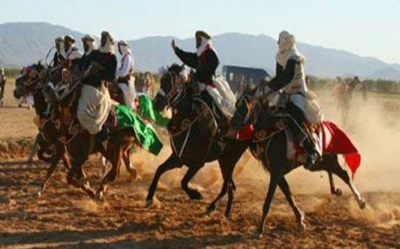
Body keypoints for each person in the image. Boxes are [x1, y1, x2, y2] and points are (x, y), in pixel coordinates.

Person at [265, 31, 322, 170]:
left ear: (284, 42)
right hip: (285, 92)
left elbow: (287, 78)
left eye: (279, 41)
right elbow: (279, 77)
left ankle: (311, 149)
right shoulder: (280, 56)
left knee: (294, 114)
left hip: (298, 93)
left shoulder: (294, 57)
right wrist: (267, 87)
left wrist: (272, 88)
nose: (278, 44)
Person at [171, 30, 234, 129]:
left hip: (207, 84)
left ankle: (218, 124)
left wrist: (199, 74)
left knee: (212, 99)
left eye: (198, 40)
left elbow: (213, 65)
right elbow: (189, 58)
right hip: (196, 83)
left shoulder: (211, 53)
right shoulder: (200, 55)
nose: (196, 43)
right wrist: (177, 50)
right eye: (196, 40)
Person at [77, 31, 117, 149]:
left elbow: (111, 76)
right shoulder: (97, 54)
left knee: (82, 113)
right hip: (86, 85)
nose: (102, 40)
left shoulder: (112, 57)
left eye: (104, 39)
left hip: (98, 88)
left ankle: (100, 132)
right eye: (102, 38)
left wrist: (98, 72)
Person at [115, 40, 136, 110]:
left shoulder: (128, 58)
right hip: (121, 82)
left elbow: (123, 72)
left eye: (119, 48)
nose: (118, 50)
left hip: (125, 84)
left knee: (128, 107)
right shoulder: (124, 58)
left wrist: (114, 72)